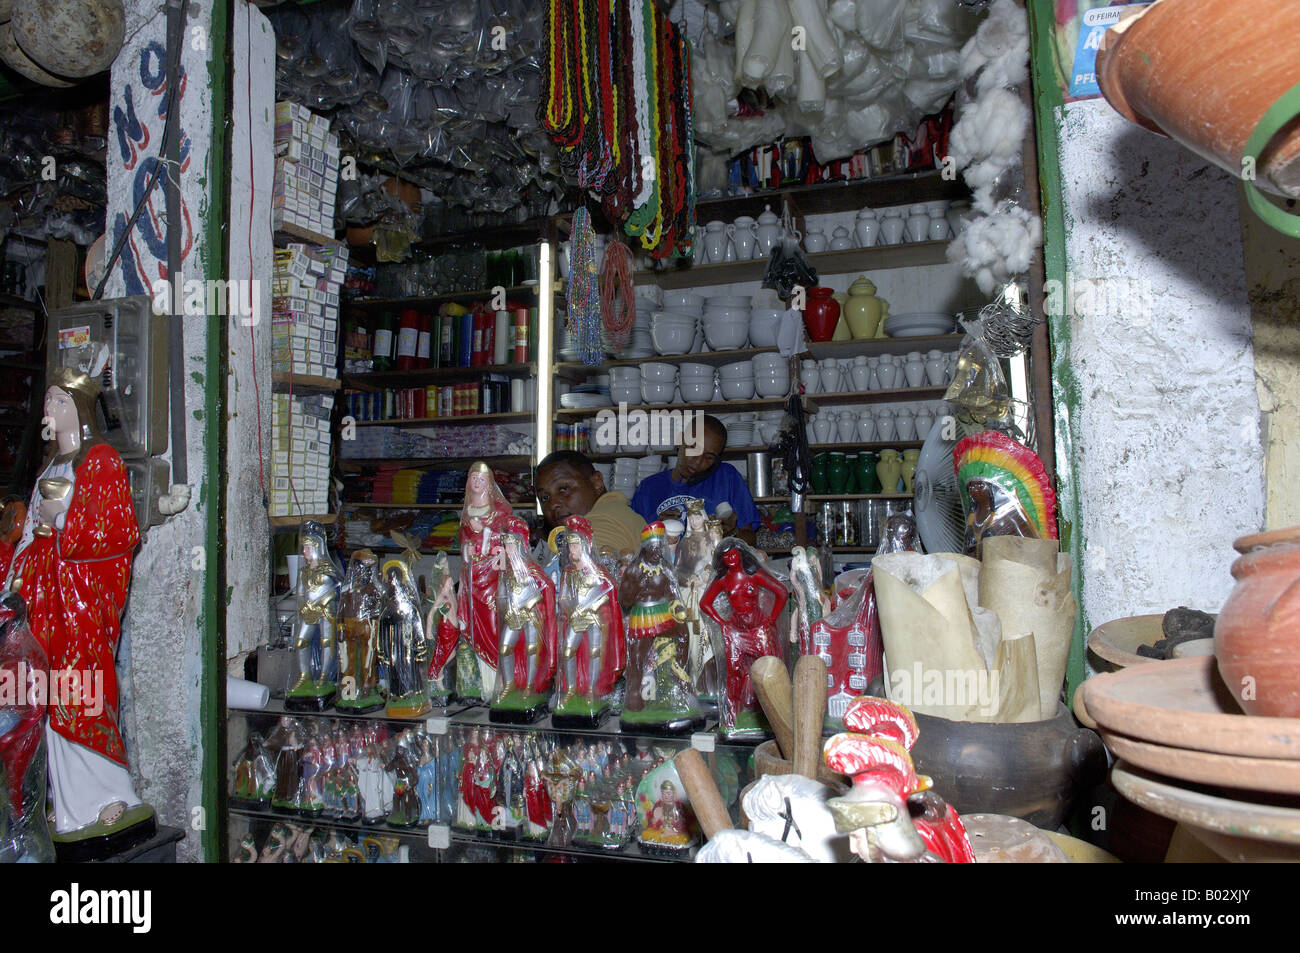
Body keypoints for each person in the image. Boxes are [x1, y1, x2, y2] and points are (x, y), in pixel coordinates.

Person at [630, 415, 761, 545]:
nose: (698, 462)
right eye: (693, 447)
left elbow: (751, 538)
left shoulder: (726, 478)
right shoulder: (648, 488)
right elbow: (631, 543)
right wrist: (656, 532)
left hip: (713, 566)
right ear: (679, 441)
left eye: (709, 457)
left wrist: (732, 533)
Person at [535, 450, 645, 556]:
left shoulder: (603, 523)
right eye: (545, 498)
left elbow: (586, 571)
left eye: (564, 489)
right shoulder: (617, 510)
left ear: (597, 482)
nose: (553, 504)